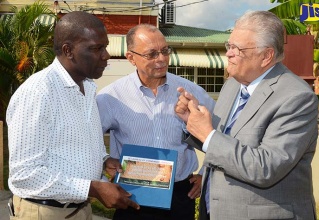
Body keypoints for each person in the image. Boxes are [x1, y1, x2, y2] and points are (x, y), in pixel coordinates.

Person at [175, 11, 318, 220]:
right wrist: (193, 122)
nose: (229, 54)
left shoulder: (296, 97)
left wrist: (207, 135)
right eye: (229, 46)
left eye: (237, 49)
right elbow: (222, 142)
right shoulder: (232, 86)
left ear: (266, 56)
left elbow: (265, 168)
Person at [6, 11, 139, 220]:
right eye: (97, 48)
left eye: (105, 47)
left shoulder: (87, 87)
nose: (106, 55)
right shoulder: (38, 93)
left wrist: (103, 161)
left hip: (80, 210)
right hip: (45, 212)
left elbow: (71, 145)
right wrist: (93, 188)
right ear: (69, 50)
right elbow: (25, 175)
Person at [96, 23, 215, 220]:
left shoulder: (190, 92)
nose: (161, 59)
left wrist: (206, 171)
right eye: (151, 54)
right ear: (131, 58)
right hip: (132, 195)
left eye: (165, 51)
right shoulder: (110, 97)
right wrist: (104, 159)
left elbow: (220, 133)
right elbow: (88, 139)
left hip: (180, 196)